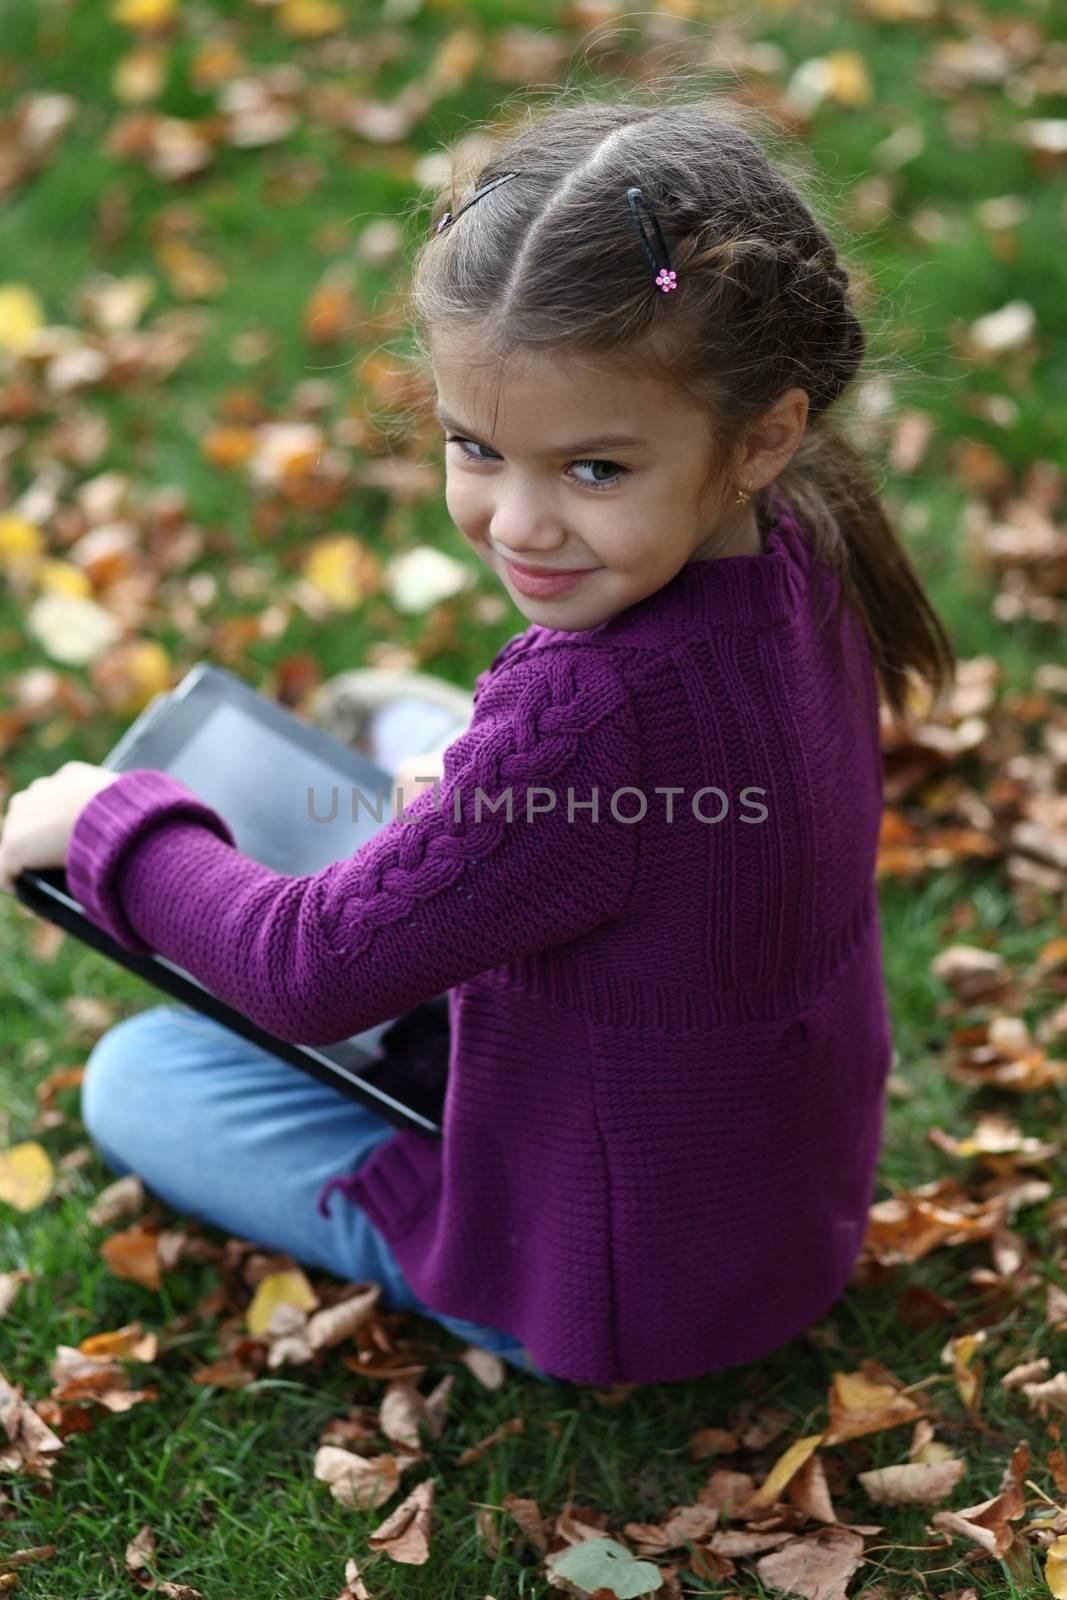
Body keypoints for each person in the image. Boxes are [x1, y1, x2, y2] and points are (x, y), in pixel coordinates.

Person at [9, 91, 957, 1389]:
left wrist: (115, 825)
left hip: (615, 1286)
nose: (518, 523)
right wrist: (489, 797)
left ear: (758, 436)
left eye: (593, 471)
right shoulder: (805, 529)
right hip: (771, 1203)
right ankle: (446, 790)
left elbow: (309, 968)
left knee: (142, 1079)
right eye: (477, 448)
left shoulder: (592, 719)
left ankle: (455, 1246)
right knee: (436, 749)